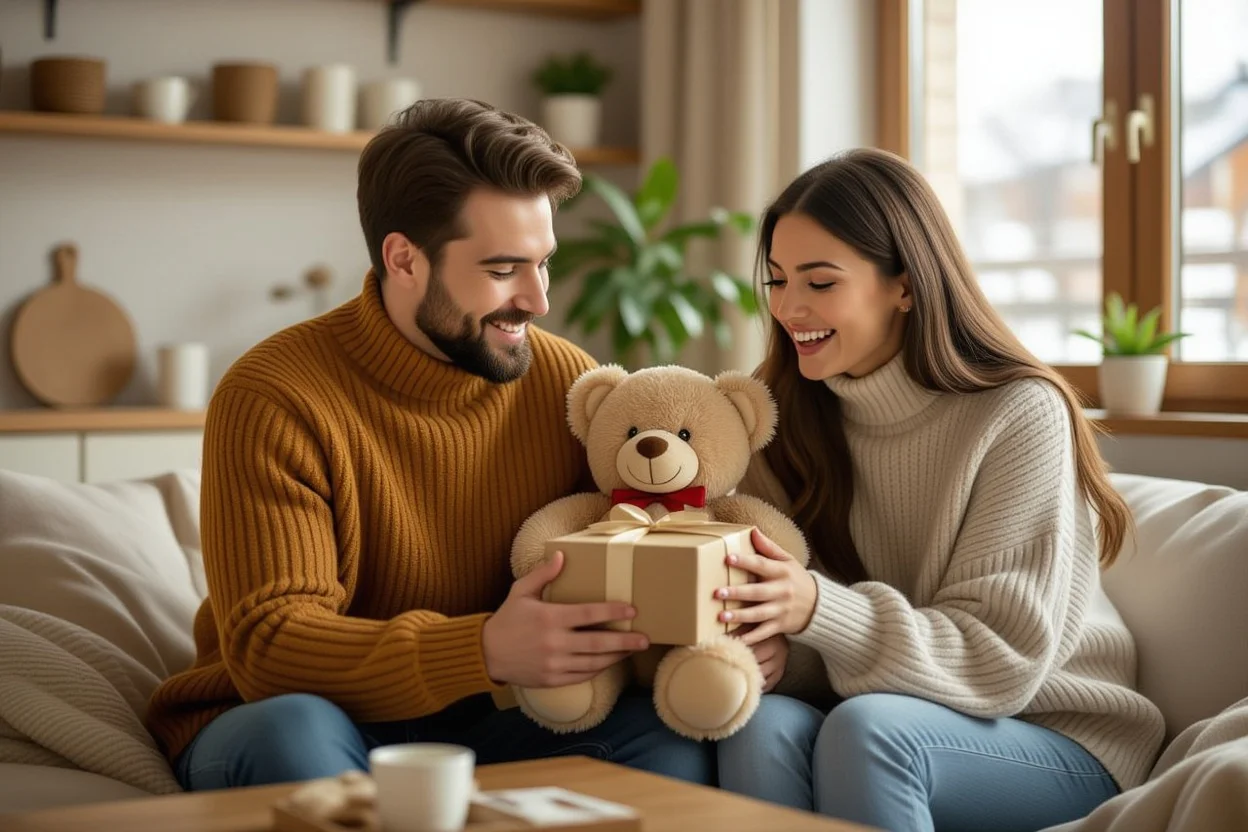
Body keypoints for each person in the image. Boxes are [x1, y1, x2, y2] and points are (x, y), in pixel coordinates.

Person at [145, 98, 714, 790]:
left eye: (545, 264)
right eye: (504, 270)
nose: (537, 300)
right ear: (404, 259)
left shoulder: (571, 384)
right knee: (291, 734)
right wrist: (479, 649)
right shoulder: (274, 395)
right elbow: (270, 646)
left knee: (671, 739)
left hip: (494, 717)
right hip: (300, 716)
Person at [713, 148, 1165, 831]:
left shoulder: (1018, 412)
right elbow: (808, 626)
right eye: (776, 280)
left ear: (904, 284)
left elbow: (999, 663)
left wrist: (813, 611)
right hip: (888, 707)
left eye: (820, 282)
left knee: (870, 731)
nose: (788, 307)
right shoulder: (780, 412)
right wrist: (783, 646)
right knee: (755, 721)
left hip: (1054, 730)